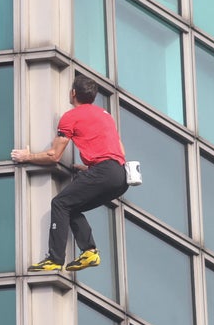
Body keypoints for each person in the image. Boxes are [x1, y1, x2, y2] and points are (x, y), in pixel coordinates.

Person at [11, 73, 128, 272]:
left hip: (104, 171)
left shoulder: (70, 116)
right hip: (120, 176)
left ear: (73, 93)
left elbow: (54, 156)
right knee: (71, 207)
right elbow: (120, 151)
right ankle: (89, 251)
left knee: (60, 203)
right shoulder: (105, 116)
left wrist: (27, 157)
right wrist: (92, 168)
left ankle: (55, 259)